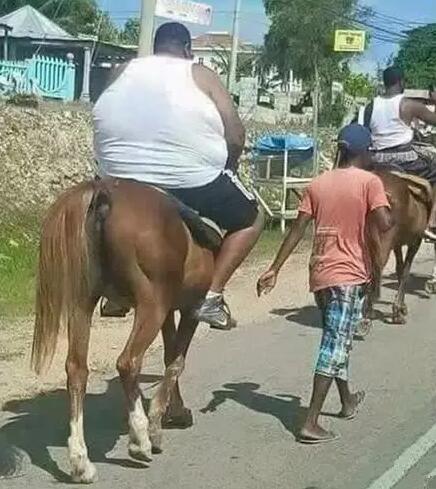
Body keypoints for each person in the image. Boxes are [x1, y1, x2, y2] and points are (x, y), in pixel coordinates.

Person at [93, 22, 264, 330]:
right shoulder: (201, 74)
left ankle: (115, 289)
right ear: (187, 50)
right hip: (188, 179)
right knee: (254, 218)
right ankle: (212, 296)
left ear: (154, 48)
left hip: (117, 177)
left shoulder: (122, 70)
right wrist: (230, 164)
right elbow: (236, 135)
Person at [257, 124, 393, 444]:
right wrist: (389, 209)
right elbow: (385, 223)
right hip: (349, 274)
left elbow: (297, 229)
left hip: (320, 274)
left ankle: (347, 400)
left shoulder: (318, 183)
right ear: (362, 152)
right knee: (334, 344)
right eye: (370, 151)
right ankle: (310, 421)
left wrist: (275, 268)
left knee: (338, 335)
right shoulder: (370, 182)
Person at [363, 66, 436, 239]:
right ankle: (432, 221)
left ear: (385, 83)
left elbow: (366, 131)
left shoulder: (370, 106)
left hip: (377, 159)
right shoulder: (408, 104)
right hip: (406, 159)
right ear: (401, 82)